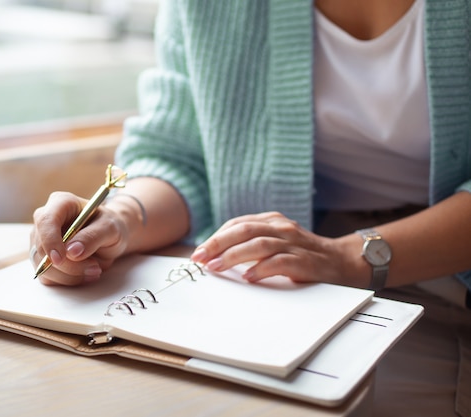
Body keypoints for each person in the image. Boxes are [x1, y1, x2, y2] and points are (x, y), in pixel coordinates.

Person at [30, 1, 471, 415]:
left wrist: (346, 257)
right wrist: (120, 219)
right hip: (290, 279)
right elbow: (179, 155)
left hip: (443, 269)